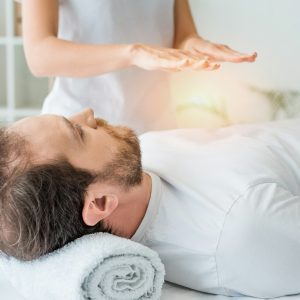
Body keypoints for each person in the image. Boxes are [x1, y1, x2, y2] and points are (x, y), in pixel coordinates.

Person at [3, 108, 299, 298]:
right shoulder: (241, 231)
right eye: (78, 132)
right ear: (101, 202)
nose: (88, 114)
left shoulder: (145, 154)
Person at [20, 0, 257, 133]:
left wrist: (196, 45)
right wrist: (133, 53)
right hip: (80, 133)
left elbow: (183, 35)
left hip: (157, 132)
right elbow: (40, 55)